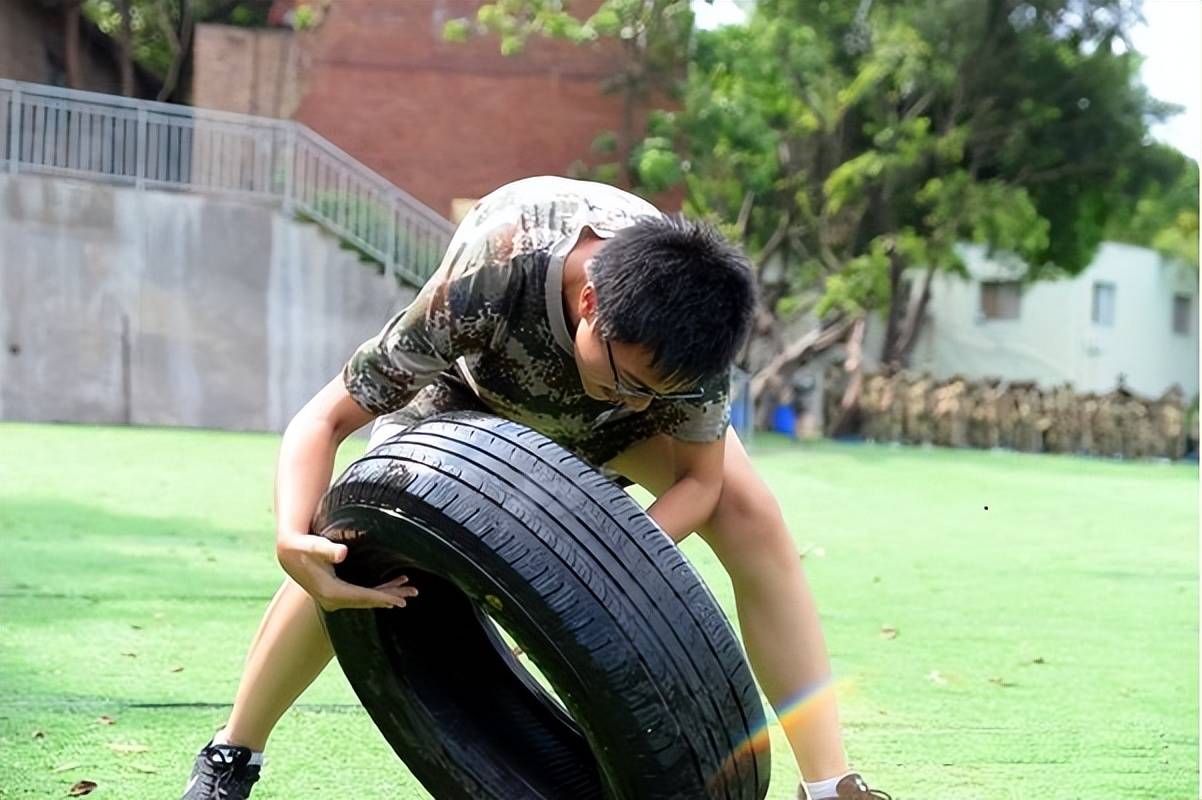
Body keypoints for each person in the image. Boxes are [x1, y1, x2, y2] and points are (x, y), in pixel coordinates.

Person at [180, 176, 892, 800]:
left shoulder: (686, 341)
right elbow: (325, 416)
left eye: (662, 392)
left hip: (599, 416)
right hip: (470, 394)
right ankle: (232, 754)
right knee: (351, 541)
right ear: (589, 303)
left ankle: (830, 785)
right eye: (637, 382)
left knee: (752, 514)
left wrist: (592, 569)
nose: (647, 403)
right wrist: (290, 535)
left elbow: (701, 482)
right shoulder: (495, 270)